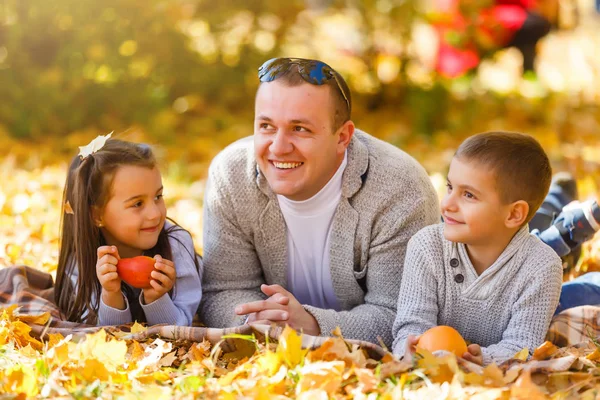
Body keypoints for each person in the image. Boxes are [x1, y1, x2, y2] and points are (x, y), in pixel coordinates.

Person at [200, 57, 440, 347]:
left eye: (299, 129)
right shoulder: (231, 176)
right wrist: (259, 323)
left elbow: (400, 317)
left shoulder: (399, 188)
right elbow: (223, 290)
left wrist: (311, 325)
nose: (278, 147)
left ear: (342, 137)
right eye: (266, 126)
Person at [392, 131, 563, 366]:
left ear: (514, 213)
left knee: (583, 296)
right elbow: (410, 327)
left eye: (469, 195)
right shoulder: (426, 246)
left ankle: (566, 220)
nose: (447, 204)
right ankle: (562, 225)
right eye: (450, 187)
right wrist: (409, 350)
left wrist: (485, 359)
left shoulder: (542, 267)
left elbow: (523, 346)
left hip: (541, 267)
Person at [54, 135, 203, 326]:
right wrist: (110, 294)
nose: (155, 214)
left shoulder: (176, 246)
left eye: (158, 196)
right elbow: (105, 339)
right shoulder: (82, 261)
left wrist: (156, 299)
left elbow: (181, 329)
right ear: (97, 215)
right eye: (137, 203)